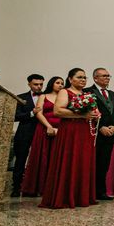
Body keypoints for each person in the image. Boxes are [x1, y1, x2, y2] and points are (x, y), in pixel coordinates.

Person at [40, 68, 100, 209]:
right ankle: (65, 196)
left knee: (82, 161)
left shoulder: (87, 94)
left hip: (85, 131)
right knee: (69, 159)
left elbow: (92, 112)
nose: (83, 80)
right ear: (70, 79)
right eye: (79, 77)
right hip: (70, 131)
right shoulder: (64, 92)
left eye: (85, 78)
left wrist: (95, 115)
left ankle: (81, 196)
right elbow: (58, 110)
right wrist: (81, 115)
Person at [21, 76, 64, 197]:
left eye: (62, 83)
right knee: (43, 156)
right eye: (57, 83)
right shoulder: (43, 96)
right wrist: (48, 126)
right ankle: (39, 187)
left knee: (56, 158)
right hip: (44, 129)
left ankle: (54, 188)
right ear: (51, 84)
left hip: (61, 130)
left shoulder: (65, 98)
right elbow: (38, 113)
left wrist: (60, 129)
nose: (60, 85)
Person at [84, 68, 114, 201]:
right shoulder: (88, 92)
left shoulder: (113, 95)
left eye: (108, 76)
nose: (107, 78)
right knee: (92, 164)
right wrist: (100, 127)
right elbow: (86, 113)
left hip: (111, 134)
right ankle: (89, 192)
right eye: (104, 76)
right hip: (94, 134)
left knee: (104, 164)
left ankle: (101, 191)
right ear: (95, 78)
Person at [12, 74, 44, 197]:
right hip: (24, 133)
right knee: (20, 161)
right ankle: (16, 187)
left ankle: (35, 187)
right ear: (29, 84)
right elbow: (15, 116)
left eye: (41, 84)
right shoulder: (21, 97)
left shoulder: (46, 96)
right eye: (36, 84)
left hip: (41, 133)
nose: (39, 87)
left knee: (39, 160)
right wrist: (32, 113)